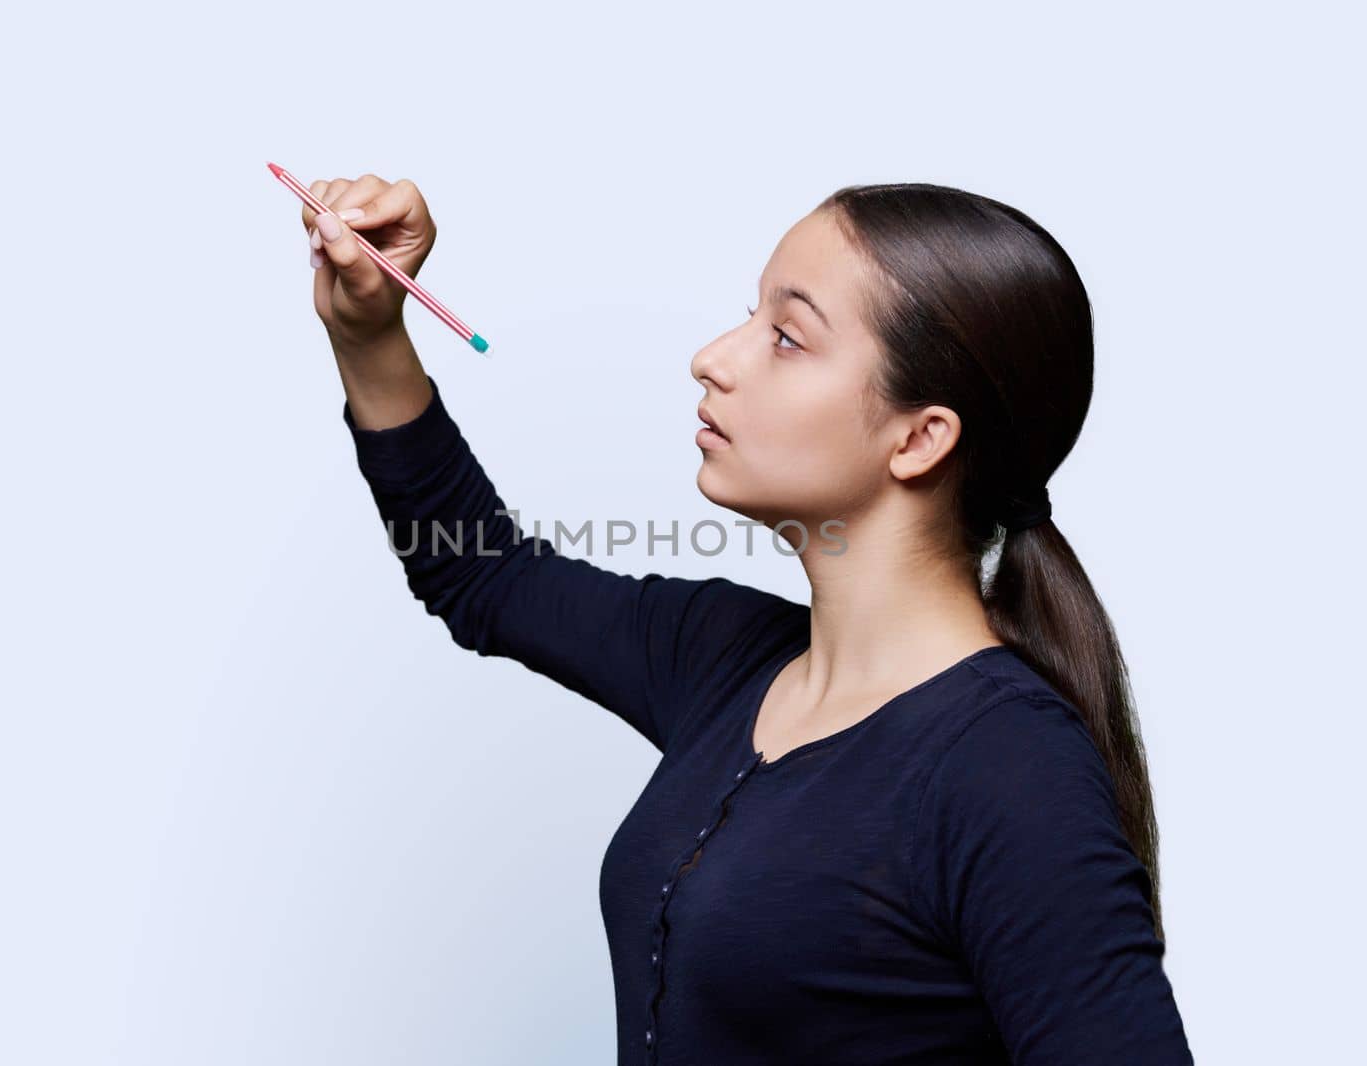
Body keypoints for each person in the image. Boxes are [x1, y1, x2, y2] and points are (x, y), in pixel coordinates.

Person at [298, 174, 1194, 1065]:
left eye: (787, 337)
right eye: (750, 317)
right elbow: (479, 573)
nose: (715, 357)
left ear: (920, 438)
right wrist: (368, 332)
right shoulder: (724, 657)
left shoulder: (1007, 768)